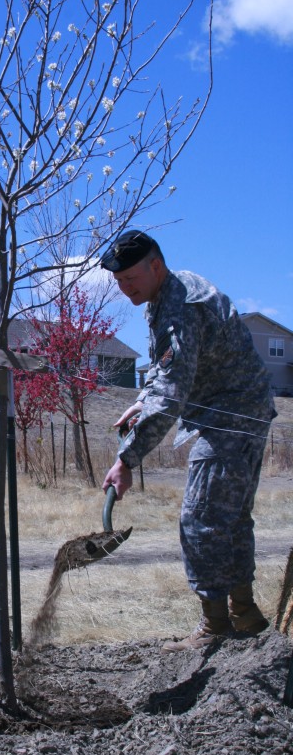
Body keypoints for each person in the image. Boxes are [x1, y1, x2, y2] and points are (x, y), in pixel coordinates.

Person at [100, 229, 276, 653]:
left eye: (130, 280)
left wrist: (126, 460)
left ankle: (217, 626)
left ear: (155, 266)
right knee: (230, 518)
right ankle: (244, 614)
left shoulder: (179, 309)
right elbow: (164, 372)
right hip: (240, 412)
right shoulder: (167, 294)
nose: (125, 290)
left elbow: (172, 392)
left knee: (201, 520)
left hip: (229, 418)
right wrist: (141, 401)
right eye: (119, 282)